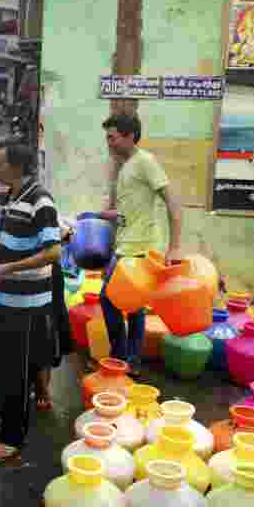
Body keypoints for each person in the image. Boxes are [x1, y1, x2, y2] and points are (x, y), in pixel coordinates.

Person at [0, 141, 62, 463]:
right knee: (5, 368)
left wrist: (6, 270)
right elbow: (1, 253)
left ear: (16, 167)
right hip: (7, 300)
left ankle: (12, 440)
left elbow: (53, 252)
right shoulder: (12, 199)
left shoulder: (41, 201)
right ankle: (6, 425)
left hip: (28, 304)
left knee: (18, 371)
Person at [99, 113, 182, 377]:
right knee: (132, 306)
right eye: (107, 138)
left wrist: (174, 247)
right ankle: (130, 359)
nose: (108, 143)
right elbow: (131, 209)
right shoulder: (126, 166)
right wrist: (111, 215)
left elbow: (173, 203)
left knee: (110, 298)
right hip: (125, 246)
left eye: (112, 137)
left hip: (141, 249)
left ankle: (121, 357)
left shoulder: (146, 161)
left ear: (129, 136)